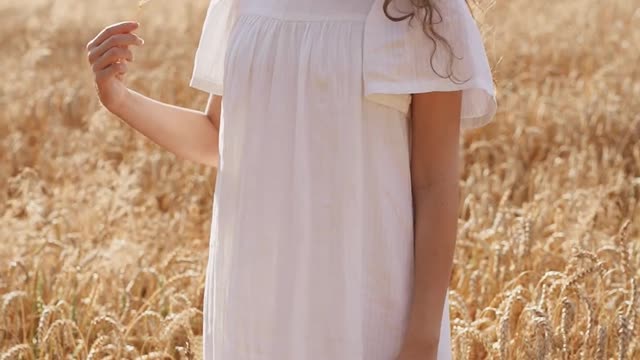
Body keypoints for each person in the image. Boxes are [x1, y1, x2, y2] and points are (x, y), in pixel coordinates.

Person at [85, 0, 497, 358]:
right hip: (256, 308)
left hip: (368, 311)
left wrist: (422, 343)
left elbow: (434, 183)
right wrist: (119, 99)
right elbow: (218, 137)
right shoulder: (242, 4)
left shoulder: (424, 10)